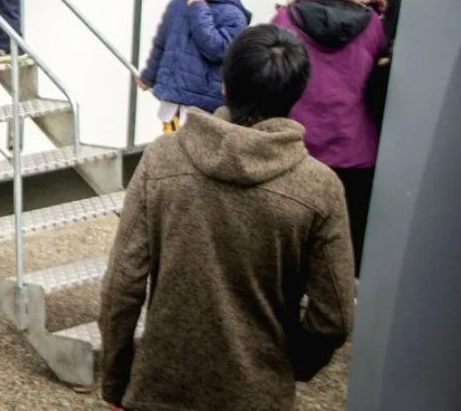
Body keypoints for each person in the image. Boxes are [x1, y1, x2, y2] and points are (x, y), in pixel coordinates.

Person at [99, 24, 354, 411]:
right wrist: (290, 365)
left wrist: (116, 380)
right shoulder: (319, 188)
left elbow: (122, 285)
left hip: (160, 388)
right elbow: (333, 316)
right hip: (258, 394)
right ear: (296, 94)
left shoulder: (162, 159)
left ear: (224, 85)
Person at [272, 0, 388, 276]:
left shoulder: (284, 18)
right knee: (343, 260)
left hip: (298, 153)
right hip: (356, 156)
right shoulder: (372, 25)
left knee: (293, 260)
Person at [137, 0, 250, 132]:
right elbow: (162, 45)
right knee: (172, 152)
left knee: (200, 156)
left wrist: (199, 12)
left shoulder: (234, 14)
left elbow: (218, 50)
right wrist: (149, 75)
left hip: (206, 106)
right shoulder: (177, 6)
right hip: (174, 101)